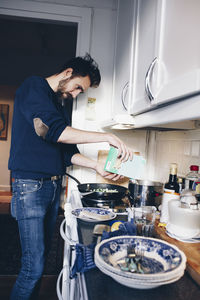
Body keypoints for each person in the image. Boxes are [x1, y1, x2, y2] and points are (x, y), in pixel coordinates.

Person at [8, 53, 133, 299]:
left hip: (51, 188)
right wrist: (106, 136)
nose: (76, 95)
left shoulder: (56, 103)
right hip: (30, 188)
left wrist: (96, 167)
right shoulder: (34, 86)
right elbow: (54, 132)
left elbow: (66, 153)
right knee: (32, 267)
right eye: (78, 87)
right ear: (67, 73)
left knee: (39, 260)